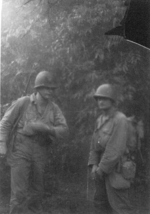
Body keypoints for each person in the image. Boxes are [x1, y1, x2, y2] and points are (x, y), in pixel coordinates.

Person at [0, 70, 68, 214]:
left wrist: (44, 128)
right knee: (19, 194)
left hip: (40, 149)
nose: (50, 91)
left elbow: (64, 130)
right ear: (38, 88)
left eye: (52, 88)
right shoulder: (23, 102)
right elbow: (5, 123)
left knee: (37, 192)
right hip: (20, 148)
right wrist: (2, 144)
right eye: (46, 87)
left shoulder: (54, 108)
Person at [88, 84, 135, 214]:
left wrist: (101, 169)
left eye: (104, 98)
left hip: (116, 170)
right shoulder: (100, 120)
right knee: (100, 205)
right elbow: (94, 145)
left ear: (112, 100)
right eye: (98, 99)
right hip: (101, 169)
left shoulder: (120, 119)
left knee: (120, 207)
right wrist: (93, 165)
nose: (100, 101)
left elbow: (115, 149)